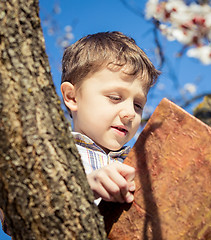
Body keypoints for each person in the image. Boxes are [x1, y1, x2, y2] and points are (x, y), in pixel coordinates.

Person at [60, 31, 160, 204]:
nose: (129, 113)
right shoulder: (54, 154)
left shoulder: (136, 165)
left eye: (138, 106)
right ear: (72, 97)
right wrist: (85, 188)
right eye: (115, 98)